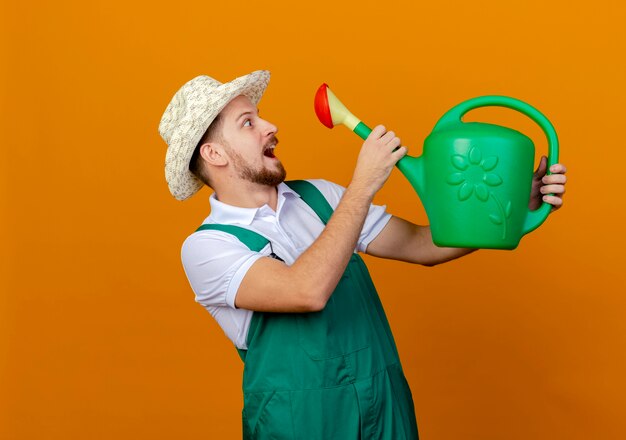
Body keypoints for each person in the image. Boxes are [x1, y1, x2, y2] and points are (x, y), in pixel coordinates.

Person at [158, 70, 567, 439]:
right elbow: (306, 290)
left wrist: (510, 207)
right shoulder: (207, 247)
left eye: (260, 115)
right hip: (300, 423)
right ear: (215, 154)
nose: (270, 126)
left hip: (383, 402)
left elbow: (424, 246)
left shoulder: (321, 197)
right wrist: (363, 183)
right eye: (248, 123)